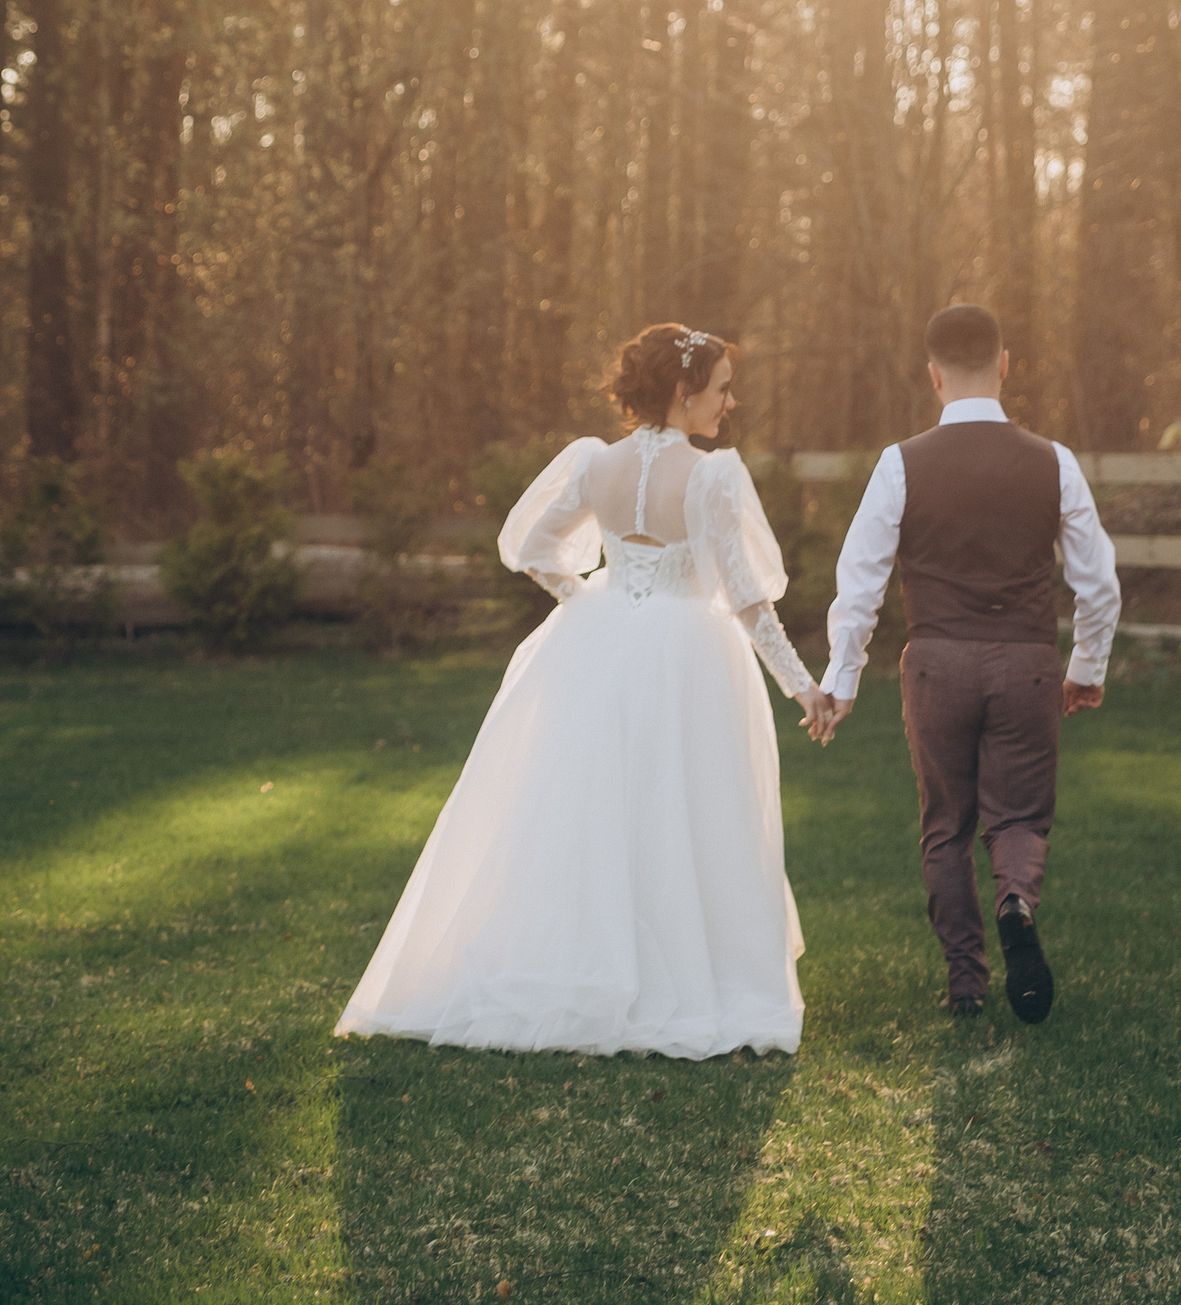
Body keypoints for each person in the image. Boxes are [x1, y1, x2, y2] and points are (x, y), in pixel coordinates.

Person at [336, 325, 835, 1058]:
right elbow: (750, 602)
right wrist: (804, 687)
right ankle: (685, 979)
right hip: (688, 650)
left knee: (590, 809)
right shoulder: (712, 476)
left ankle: (574, 965)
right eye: (723, 387)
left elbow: (533, 548)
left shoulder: (594, 462)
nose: (731, 401)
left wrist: (588, 600)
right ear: (682, 391)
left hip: (599, 638)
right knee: (685, 808)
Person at [813, 304, 1121, 1023]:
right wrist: (1088, 667)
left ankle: (966, 982)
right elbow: (1098, 582)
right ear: (1005, 363)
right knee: (1018, 816)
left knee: (945, 824)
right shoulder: (1054, 461)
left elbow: (859, 579)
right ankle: (1015, 899)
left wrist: (843, 676)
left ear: (933, 374)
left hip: (936, 665)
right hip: (1027, 664)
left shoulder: (901, 462)